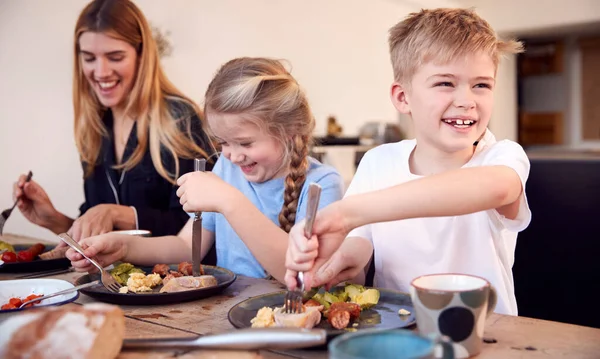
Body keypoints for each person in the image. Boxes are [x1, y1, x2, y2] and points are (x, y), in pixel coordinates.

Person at [284, 8, 531, 316]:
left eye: (481, 85)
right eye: (445, 83)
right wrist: (330, 264)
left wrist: (346, 213)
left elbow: (495, 189)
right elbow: (359, 250)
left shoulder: (503, 158)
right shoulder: (378, 162)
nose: (467, 100)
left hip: (487, 333)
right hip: (397, 329)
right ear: (403, 97)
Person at [66, 57, 345, 283]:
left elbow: (301, 275)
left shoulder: (322, 184)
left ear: (289, 132)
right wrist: (123, 248)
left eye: (245, 142)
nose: (232, 155)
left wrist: (230, 201)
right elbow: (187, 246)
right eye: (222, 142)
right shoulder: (227, 168)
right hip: (222, 317)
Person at [13, 0, 215, 241]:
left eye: (115, 57)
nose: (101, 72)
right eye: (89, 58)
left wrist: (118, 214)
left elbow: (199, 227)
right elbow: (97, 232)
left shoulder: (181, 120)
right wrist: (53, 219)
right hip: (116, 278)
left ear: (142, 56)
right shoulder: (96, 127)